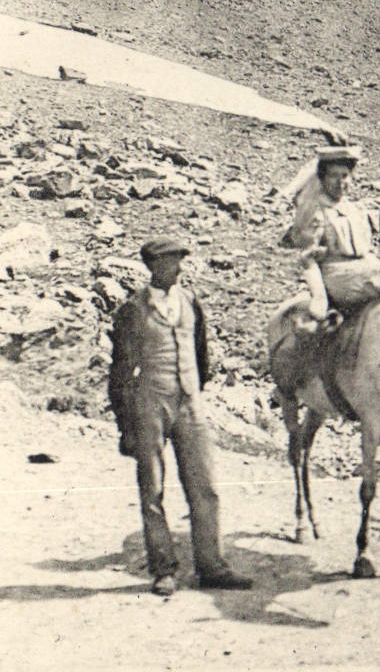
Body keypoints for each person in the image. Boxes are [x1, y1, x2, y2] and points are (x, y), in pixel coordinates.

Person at [108, 236, 253, 597]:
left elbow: (201, 353)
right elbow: (121, 373)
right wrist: (126, 425)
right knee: (153, 489)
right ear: (153, 267)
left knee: (205, 486)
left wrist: (193, 390)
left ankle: (212, 566)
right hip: (149, 405)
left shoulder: (190, 302)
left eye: (180, 261)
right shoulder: (132, 309)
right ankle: (163, 569)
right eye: (172, 262)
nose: (179, 268)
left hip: (190, 403)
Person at [291, 145, 380, 316]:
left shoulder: (353, 209)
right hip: (337, 276)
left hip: (366, 270)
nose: (341, 182)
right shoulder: (316, 211)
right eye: (333, 176)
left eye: (345, 176)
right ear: (322, 178)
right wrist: (320, 297)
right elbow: (308, 258)